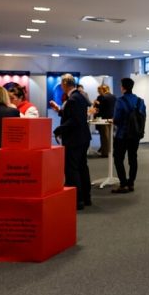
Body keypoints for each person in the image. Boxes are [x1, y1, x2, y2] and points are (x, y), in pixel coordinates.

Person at [50, 74, 92, 210]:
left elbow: (74, 120)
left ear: (64, 84)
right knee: (82, 167)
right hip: (83, 137)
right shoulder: (79, 96)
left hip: (74, 139)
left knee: (72, 169)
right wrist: (59, 111)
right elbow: (75, 115)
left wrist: (59, 129)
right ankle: (86, 197)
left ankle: (77, 200)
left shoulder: (73, 99)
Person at [111, 77, 146, 194]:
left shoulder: (120, 101)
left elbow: (116, 119)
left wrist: (114, 121)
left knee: (118, 158)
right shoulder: (140, 101)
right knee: (133, 158)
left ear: (123, 87)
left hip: (122, 135)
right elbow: (143, 117)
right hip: (135, 135)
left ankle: (123, 184)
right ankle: (131, 183)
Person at [92, 84, 116, 157]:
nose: (98, 92)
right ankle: (111, 150)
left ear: (102, 90)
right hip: (112, 118)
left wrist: (96, 103)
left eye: (99, 90)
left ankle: (105, 152)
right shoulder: (113, 96)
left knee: (104, 136)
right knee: (111, 135)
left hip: (103, 119)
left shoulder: (102, 97)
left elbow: (99, 108)